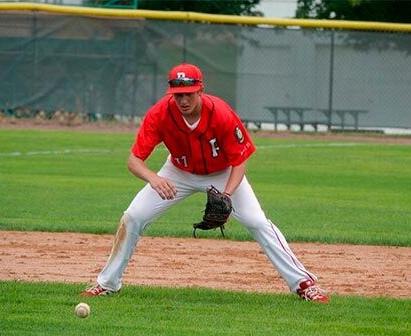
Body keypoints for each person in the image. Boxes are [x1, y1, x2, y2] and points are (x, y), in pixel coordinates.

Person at [82, 63, 329, 303]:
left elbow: (240, 161)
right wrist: (154, 179)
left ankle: (304, 284)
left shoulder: (221, 113)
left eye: (188, 94)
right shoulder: (160, 113)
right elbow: (134, 160)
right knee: (133, 216)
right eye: (177, 95)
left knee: (257, 222)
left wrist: (227, 195)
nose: (183, 101)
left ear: (200, 90)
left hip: (222, 173)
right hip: (178, 172)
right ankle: (107, 283)